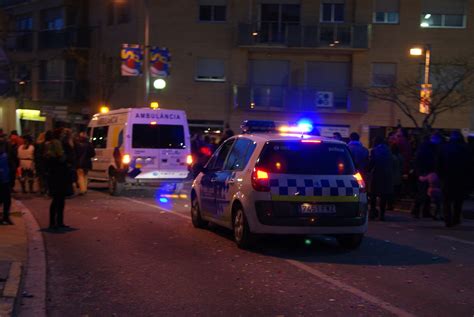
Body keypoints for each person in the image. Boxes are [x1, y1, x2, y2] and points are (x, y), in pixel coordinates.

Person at [437, 131, 473, 227]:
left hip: (447, 177)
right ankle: (456, 218)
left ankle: (448, 219)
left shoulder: (445, 148)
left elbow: (439, 163)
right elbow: (470, 165)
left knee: (447, 200)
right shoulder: (466, 149)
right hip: (461, 178)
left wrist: (440, 176)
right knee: (458, 200)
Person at [44, 129, 73, 229]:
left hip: (55, 176)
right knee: (58, 200)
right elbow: (63, 159)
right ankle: (56, 222)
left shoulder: (49, 151)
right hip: (59, 176)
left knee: (58, 200)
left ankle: (55, 222)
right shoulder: (55, 152)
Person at [368, 136, 394, 221]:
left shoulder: (374, 150)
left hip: (377, 174)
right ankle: (382, 214)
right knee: (383, 195)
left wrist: (367, 169)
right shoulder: (389, 150)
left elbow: (372, 163)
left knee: (373, 195)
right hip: (387, 175)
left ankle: (372, 213)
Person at [411, 136, 436, 218]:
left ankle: (416, 210)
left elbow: (416, 162)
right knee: (426, 194)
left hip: (422, 174)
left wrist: (418, 173)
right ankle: (424, 211)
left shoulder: (420, 150)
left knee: (421, 193)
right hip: (428, 173)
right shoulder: (431, 150)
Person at [0, 134, 13, 224]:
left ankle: (5, 217)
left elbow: (11, 167)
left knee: (6, 200)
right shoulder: (5, 155)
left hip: (5, 180)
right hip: (4, 180)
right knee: (6, 200)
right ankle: (5, 217)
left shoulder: (5, 155)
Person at [388, 144, 403, 210]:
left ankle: (390, 205)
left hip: (392, 176)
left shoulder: (392, 157)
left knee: (390, 192)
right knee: (395, 191)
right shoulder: (400, 156)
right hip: (398, 176)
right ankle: (392, 204)